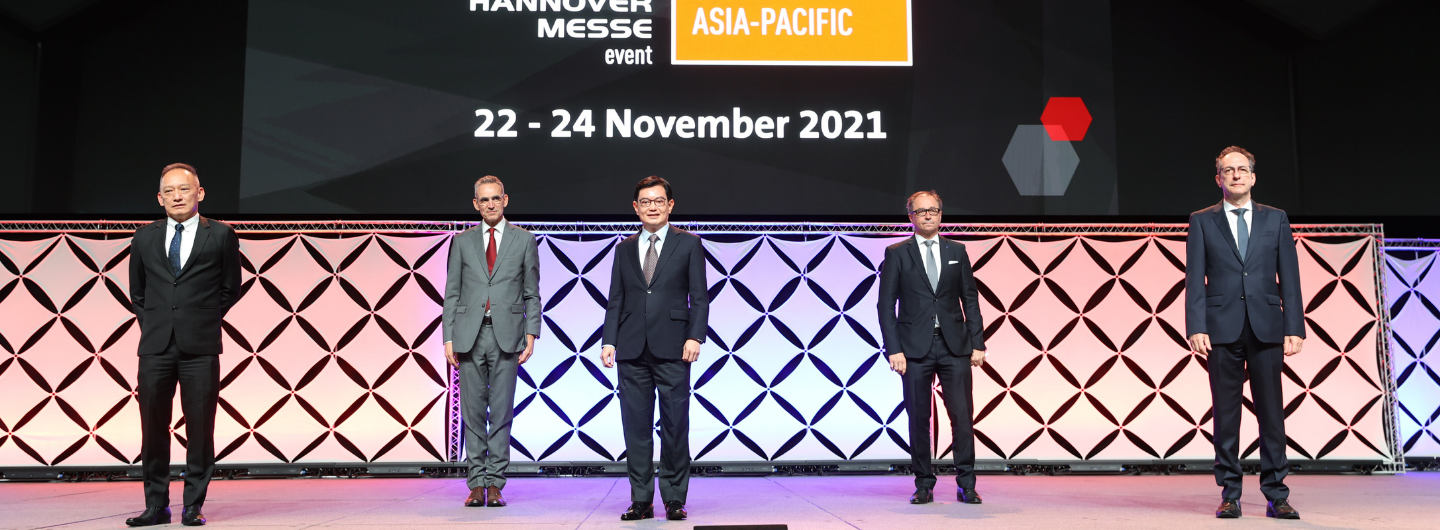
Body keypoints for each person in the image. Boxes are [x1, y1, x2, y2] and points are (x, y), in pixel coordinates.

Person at [1186, 146, 1304, 520]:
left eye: (1242, 169)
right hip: (1221, 328)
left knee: (1272, 415)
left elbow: (1290, 277)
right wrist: (1196, 325)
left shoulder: (1276, 219)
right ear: (1218, 179)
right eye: (1228, 170)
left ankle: (1277, 494)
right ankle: (1230, 494)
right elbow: (1194, 279)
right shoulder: (1202, 221)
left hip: (1267, 327)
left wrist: (1294, 326)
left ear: (1253, 176)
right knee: (1226, 416)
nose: (1235, 175)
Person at [125, 164, 241, 527]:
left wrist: (201, 319)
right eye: (170, 191)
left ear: (199, 193)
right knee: (152, 428)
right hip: (155, 347)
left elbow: (230, 288)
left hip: (200, 347)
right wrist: (156, 324)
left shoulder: (220, 235)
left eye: (184, 189)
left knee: (200, 429)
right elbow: (138, 293)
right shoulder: (143, 237)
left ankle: (193, 505)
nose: (177, 196)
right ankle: (156, 506)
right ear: (160, 198)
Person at [599, 176, 709, 521]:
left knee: (675, 426)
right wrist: (609, 340)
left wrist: (695, 336)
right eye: (645, 202)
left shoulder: (689, 244)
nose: (652, 207)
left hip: (675, 347)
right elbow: (615, 299)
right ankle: (641, 500)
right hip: (631, 349)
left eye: (659, 201)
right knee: (636, 428)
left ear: (670, 205)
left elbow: (700, 297)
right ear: (636, 208)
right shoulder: (624, 248)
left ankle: (674, 499)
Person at [877, 190, 987, 506]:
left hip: (955, 347)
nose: (928, 215)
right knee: (918, 418)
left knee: (962, 417)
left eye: (933, 210)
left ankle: (967, 484)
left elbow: (970, 299)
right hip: (913, 349)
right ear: (910, 217)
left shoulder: (957, 250)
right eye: (921, 211)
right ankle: (924, 484)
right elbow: (886, 305)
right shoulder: (897, 253)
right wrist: (894, 349)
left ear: (941, 214)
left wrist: (977, 342)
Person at [442, 175, 541, 508]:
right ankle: (475, 483)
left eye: (495, 198)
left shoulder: (524, 240)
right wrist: (448, 337)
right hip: (469, 335)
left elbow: (532, 293)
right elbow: (452, 293)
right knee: (472, 414)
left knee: (501, 412)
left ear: (505, 200)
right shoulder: (462, 242)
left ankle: (495, 482)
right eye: (484, 199)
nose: (490, 204)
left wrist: (531, 332)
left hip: (507, 335)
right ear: (475, 204)